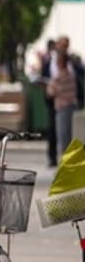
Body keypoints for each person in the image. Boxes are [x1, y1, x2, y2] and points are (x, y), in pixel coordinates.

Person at [47, 49, 78, 159]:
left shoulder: (58, 77)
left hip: (62, 108)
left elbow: (51, 92)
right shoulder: (71, 75)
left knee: (63, 138)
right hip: (72, 108)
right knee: (70, 137)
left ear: (59, 63)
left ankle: (66, 164)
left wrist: (48, 86)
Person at [40, 39, 58, 167]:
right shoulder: (48, 62)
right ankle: (52, 157)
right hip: (52, 99)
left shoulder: (68, 62)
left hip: (64, 99)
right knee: (52, 128)